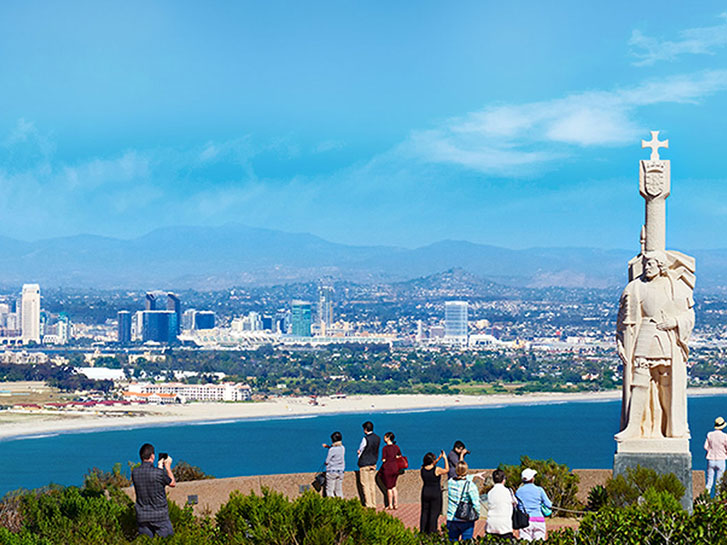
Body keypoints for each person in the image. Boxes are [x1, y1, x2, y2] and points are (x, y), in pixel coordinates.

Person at [615, 251, 695, 441]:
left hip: (666, 339)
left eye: (651, 264)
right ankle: (634, 426)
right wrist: (620, 342)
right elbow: (622, 319)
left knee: (666, 384)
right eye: (645, 264)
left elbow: (689, 315)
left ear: (661, 266)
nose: (647, 268)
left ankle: (671, 425)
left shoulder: (675, 287)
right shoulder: (635, 287)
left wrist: (675, 322)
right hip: (644, 336)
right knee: (639, 381)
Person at [131, 443, 176, 538]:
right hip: (160, 517)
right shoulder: (158, 473)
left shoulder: (135, 472)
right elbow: (172, 483)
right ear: (152, 456)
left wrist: (160, 466)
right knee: (167, 541)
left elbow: (151, 480)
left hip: (142, 516)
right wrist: (167, 467)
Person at [445, 461, 480, 541]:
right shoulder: (470, 486)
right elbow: (476, 503)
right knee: (466, 541)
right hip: (466, 518)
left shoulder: (450, 482)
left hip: (452, 517)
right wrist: (477, 514)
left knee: (452, 541)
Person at [515, 468, 552, 542]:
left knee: (525, 542)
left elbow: (517, 506)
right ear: (532, 479)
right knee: (539, 541)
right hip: (539, 520)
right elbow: (549, 504)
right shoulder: (539, 490)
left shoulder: (518, 491)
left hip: (524, 521)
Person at [420, 450, 449, 533]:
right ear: (432, 461)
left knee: (425, 512)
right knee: (434, 513)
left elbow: (432, 464)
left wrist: (439, 457)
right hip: (435, 492)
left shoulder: (422, 469)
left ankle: (423, 530)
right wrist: (445, 458)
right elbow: (447, 470)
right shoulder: (437, 470)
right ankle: (432, 531)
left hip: (425, 492)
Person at [486, 469, 515, 539]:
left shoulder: (490, 493)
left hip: (491, 524)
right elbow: (515, 503)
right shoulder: (508, 491)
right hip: (505, 525)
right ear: (503, 480)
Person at [357, 420, 381, 507]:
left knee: (365, 484)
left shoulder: (365, 439)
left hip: (364, 464)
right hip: (373, 463)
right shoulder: (378, 438)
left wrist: (359, 455)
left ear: (365, 429)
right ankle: (374, 503)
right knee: (372, 484)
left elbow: (361, 450)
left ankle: (368, 504)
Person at [379, 431, 402, 509]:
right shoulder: (396, 447)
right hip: (395, 468)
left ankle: (390, 505)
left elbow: (383, 460)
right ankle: (396, 504)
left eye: (385, 437)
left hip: (388, 469)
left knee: (389, 488)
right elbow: (399, 456)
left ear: (388, 438)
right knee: (394, 487)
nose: (384, 438)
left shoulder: (385, 448)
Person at [705, 416, 727, 496]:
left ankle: (705, 499)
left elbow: (705, 447)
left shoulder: (710, 434)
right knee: (719, 482)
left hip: (711, 459)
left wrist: (711, 451)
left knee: (709, 481)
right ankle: (717, 500)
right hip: (721, 460)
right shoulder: (725, 436)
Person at [322, 431, 345, 498]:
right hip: (340, 471)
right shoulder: (343, 448)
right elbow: (336, 450)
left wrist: (329, 448)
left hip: (331, 472)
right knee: (339, 491)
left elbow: (327, 461)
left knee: (330, 491)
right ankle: (342, 504)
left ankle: (331, 504)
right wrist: (328, 447)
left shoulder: (331, 450)